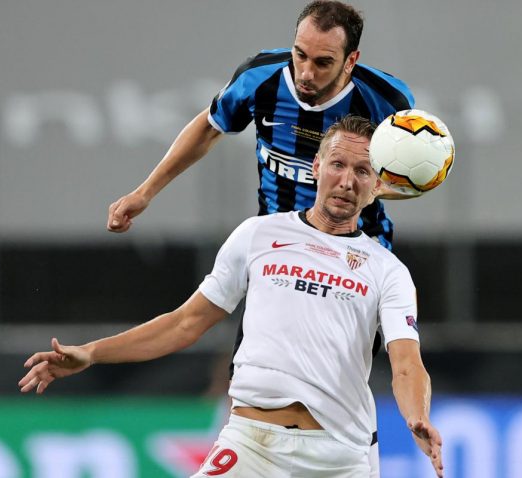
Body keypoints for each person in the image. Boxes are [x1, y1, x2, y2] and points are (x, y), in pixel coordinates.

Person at [20, 116, 444, 478]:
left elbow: (407, 364)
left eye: (362, 171)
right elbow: (185, 323)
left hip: (339, 455)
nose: (346, 181)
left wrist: (416, 416)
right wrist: (91, 353)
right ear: (316, 166)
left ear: (378, 186)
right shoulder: (259, 235)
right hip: (252, 446)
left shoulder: (387, 270)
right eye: (337, 164)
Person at [106, 2, 419, 474]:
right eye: (300, 55)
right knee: (255, 379)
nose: (306, 72)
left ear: (351, 61)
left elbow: (407, 176)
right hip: (278, 255)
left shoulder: (387, 101)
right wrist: (145, 192)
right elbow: (208, 129)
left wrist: (360, 189)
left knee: (338, 388)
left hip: (356, 258)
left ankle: (356, 460)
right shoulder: (262, 78)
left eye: (323, 62)